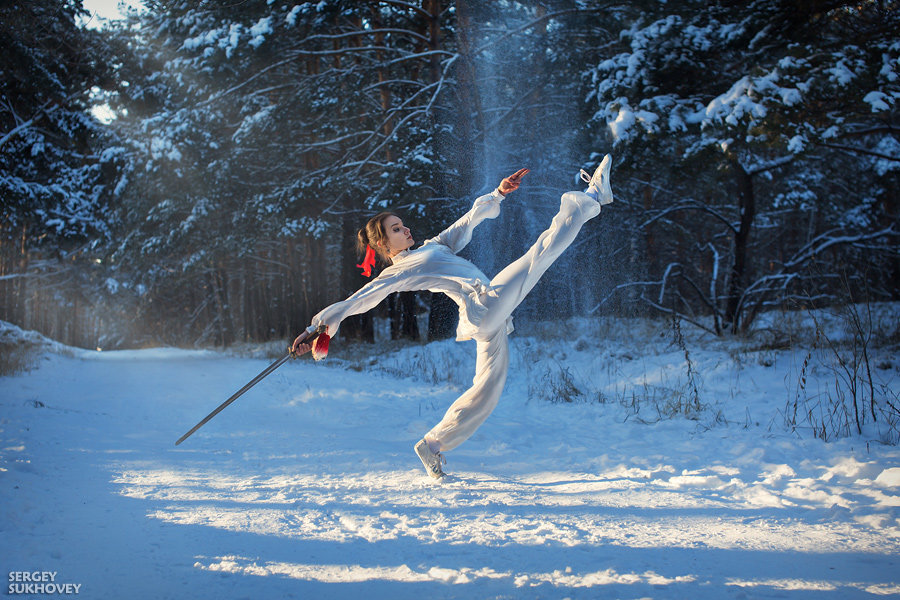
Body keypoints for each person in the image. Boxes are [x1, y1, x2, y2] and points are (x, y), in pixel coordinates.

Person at [292, 155, 614, 478]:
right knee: (538, 255)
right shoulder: (398, 271)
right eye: (395, 229)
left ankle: (433, 443)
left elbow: (464, 225)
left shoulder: (429, 248)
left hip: (488, 319)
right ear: (383, 245)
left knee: (488, 390)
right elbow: (359, 299)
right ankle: (591, 197)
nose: (404, 229)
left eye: (402, 225)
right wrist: (316, 328)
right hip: (485, 305)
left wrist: (498, 194)